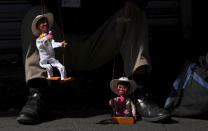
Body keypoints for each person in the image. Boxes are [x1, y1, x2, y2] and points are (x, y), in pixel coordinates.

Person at [17, 0, 170, 124]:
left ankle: (139, 94)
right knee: (35, 15)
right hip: (61, 44)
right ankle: (37, 94)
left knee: (135, 13)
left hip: (100, 40)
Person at [32, 13, 68, 80]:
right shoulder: (39, 39)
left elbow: (53, 44)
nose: (45, 24)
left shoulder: (49, 37)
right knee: (49, 67)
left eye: (46, 22)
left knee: (61, 67)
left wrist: (61, 44)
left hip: (51, 57)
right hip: (44, 59)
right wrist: (46, 38)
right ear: (38, 26)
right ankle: (50, 76)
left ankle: (64, 78)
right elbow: (39, 45)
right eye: (43, 22)